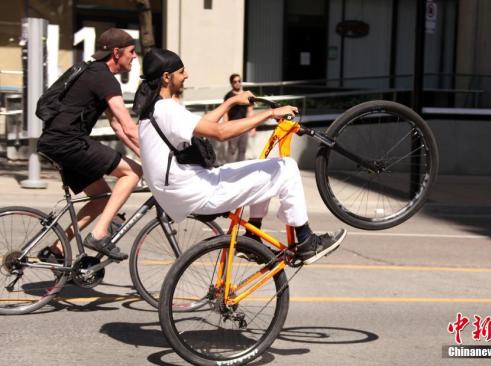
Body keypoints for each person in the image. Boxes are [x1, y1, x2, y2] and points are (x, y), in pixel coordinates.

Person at [134, 48, 346, 265]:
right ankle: (305, 241)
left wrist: (231, 103)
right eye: (181, 71)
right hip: (199, 190)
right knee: (288, 168)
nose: (186, 75)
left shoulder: (153, 110)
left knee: (265, 166)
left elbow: (204, 124)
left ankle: (253, 238)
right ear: (166, 77)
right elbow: (221, 132)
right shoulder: (167, 109)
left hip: (181, 191)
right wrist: (270, 113)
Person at [37, 28, 142, 261]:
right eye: (131, 51)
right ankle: (99, 233)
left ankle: (57, 249)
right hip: (68, 142)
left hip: (56, 141)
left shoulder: (94, 73)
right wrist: (158, 159)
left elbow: (118, 128)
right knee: (133, 173)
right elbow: (129, 126)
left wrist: (144, 154)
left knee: (102, 196)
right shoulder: (104, 78)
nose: (134, 56)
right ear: (116, 53)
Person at [223, 73, 254, 162]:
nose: (237, 83)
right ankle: (229, 171)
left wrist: (252, 127)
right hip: (232, 126)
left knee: (242, 150)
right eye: (235, 81)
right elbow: (225, 112)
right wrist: (225, 126)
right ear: (231, 83)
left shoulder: (246, 95)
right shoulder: (228, 96)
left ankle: (241, 171)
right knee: (231, 150)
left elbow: (250, 110)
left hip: (244, 125)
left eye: (239, 81)